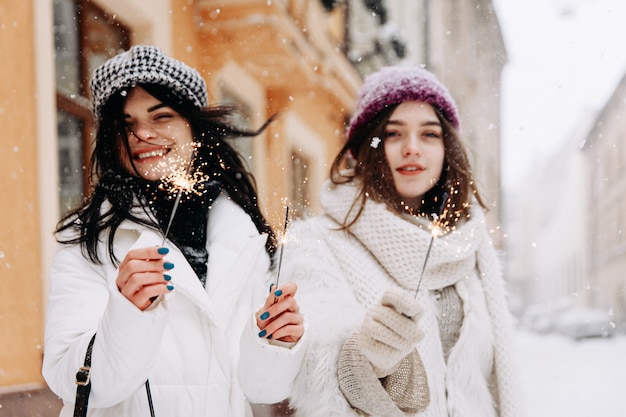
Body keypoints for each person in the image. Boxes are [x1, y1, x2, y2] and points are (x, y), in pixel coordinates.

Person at [42, 45, 306, 417]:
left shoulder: (243, 235)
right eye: (126, 123)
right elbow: (73, 382)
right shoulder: (87, 240)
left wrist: (276, 342)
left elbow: (263, 389)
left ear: (192, 127)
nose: (141, 134)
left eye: (161, 116)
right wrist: (127, 314)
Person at [280, 66, 521, 417]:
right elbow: (311, 369)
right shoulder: (317, 244)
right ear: (366, 147)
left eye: (429, 134)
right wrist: (364, 357)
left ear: (446, 148)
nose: (412, 149)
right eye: (393, 134)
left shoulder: (469, 244)